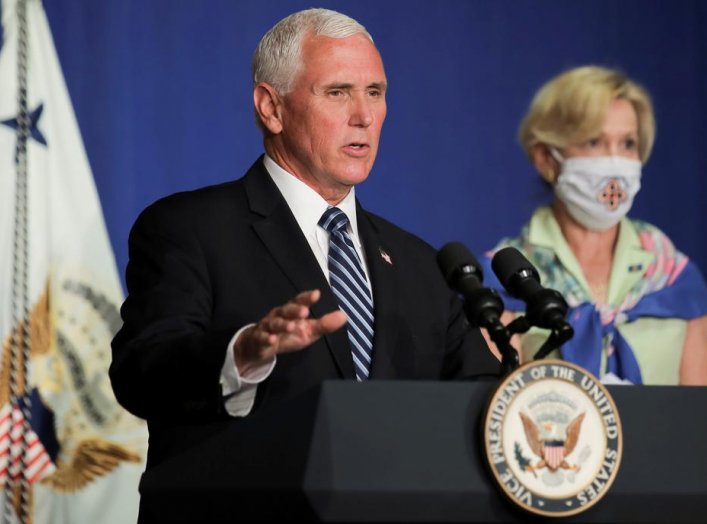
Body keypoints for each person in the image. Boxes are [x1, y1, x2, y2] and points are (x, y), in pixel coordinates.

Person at [109, 6, 499, 481]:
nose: (363, 116)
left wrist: (516, 379)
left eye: (374, 93)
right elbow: (141, 373)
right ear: (271, 107)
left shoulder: (422, 264)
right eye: (337, 92)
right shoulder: (189, 227)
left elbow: (479, 400)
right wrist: (242, 354)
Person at [481, 65, 707, 385]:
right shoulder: (505, 279)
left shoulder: (673, 277)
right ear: (546, 157)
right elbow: (503, 411)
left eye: (627, 143)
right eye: (594, 142)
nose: (615, 161)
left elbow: (697, 421)